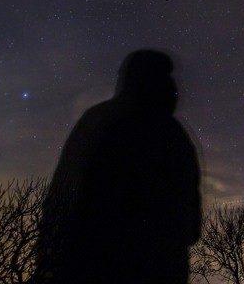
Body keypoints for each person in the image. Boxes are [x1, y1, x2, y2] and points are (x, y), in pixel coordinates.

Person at [33, 49, 202, 284]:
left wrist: (50, 261)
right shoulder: (177, 139)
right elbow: (193, 226)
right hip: (149, 269)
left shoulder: (101, 119)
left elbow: (64, 194)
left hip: (93, 264)